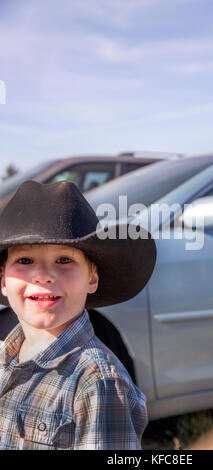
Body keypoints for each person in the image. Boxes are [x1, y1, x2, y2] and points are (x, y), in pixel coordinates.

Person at [0, 179, 157, 450]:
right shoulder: (4, 358)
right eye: (25, 261)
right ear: (3, 280)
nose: (44, 276)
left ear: (92, 279)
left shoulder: (98, 381)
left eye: (64, 260)